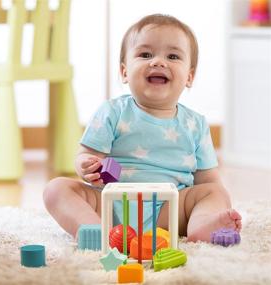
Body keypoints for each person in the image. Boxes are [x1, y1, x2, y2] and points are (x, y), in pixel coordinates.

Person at [43, 14, 242, 242]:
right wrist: (86, 165)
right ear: (125, 71)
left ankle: (201, 225)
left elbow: (207, 179)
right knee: (56, 189)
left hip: (169, 210)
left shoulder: (195, 124)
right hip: (110, 205)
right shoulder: (112, 111)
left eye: (173, 56)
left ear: (189, 76)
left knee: (216, 192)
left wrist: (215, 202)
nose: (158, 62)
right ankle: (94, 229)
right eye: (145, 54)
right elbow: (87, 155)